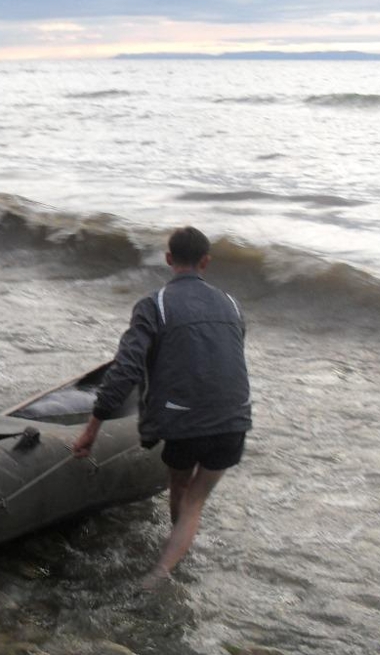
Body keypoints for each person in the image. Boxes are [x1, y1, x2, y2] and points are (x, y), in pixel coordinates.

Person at [72, 226, 252, 589]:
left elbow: (126, 369)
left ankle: (161, 571)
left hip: (184, 422)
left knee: (181, 488)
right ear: (206, 262)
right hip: (235, 418)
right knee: (196, 500)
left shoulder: (154, 305)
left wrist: (92, 428)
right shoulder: (232, 305)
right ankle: (179, 553)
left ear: (169, 259)